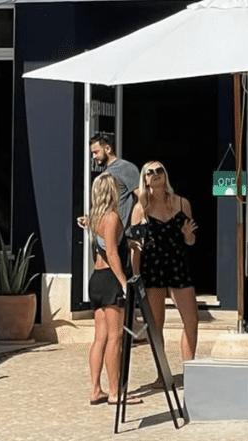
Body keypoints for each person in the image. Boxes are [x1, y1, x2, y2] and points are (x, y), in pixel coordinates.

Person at [129, 160, 199, 373]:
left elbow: (190, 241)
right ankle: (162, 374)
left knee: (192, 320)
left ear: (165, 175)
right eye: (150, 172)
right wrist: (135, 276)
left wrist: (188, 236)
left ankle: (190, 370)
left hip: (178, 265)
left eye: (160, 171)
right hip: (153, 267)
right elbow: (135, 248)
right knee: (156, 325)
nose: (156, 174)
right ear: (145, 179)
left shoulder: (181, 204)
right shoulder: (140, 208)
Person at [82, 173, 138, 407]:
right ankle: (115, 393)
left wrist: (127, 242)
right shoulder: (113, 216)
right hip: (110, 281)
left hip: (96, 278)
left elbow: (105, 244)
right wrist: (124, 281)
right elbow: (112, 253)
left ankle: (96, 390)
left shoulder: (93, 217)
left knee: (100, 338)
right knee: (115, 338)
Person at [90, 133, 139, 259]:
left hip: (121, 237)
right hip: (104, 236)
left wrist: (133, 232)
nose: (93, 157)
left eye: (96, 152)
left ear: (107, 149)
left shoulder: (125, 168)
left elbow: (142, 199)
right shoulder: (107, 173)